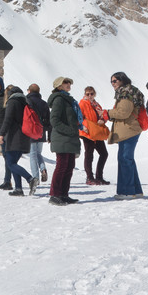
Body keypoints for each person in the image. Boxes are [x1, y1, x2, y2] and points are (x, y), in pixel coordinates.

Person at [107, 72, 146, 199]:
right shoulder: (130, 91)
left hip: (129, 129)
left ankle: (127, 192)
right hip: (131, 128)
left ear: (122, 80)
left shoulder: (125, 93)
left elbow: (123, 112)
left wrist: (107, 113)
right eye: (111, 81)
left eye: (115, 81)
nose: (113, 83)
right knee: (128, 159)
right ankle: (136, 190)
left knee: (124, 159)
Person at [0, 85, 40, 196]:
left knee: (10, 163)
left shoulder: (12, 102)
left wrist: (1, 134)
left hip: (14, 137)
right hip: (25, 137)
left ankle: (30, 179)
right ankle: (18, 189)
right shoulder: (25, 102)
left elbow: (7, 120)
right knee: (14, 163)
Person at [47, 77, 82, 205]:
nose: (68, 84)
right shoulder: (59, 100)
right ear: (59, 86)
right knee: (62, 166)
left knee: (69, 166)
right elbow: (54, 120)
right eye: (65, 83)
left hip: (69, 138)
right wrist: (69, 130)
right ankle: (55, 194)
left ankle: (63, 194)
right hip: (62, 138)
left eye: (69, 83)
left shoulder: (68, 100)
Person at [78, 86, 110, 185]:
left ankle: (99, 177)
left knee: (104, 154)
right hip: (87, 132)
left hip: (96, 132)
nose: (90, 96)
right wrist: (83, 126)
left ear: (94, 94)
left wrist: (103, 120)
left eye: (91, 93)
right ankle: (89, 178)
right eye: (88, 94)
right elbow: (78, 117)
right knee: (89, 154)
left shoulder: (96, 105)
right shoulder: (82, 104)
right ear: (85, 94)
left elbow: (103, 115)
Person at [26, 83, 50, 183]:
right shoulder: (44, 103)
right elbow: (49, 120)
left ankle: (35, 178)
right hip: (41, 131)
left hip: (31, 131)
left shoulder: (27, 102)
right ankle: (43, 169)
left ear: (29, 91)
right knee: (38, 153)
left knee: (32, 155)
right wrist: (48, 133)